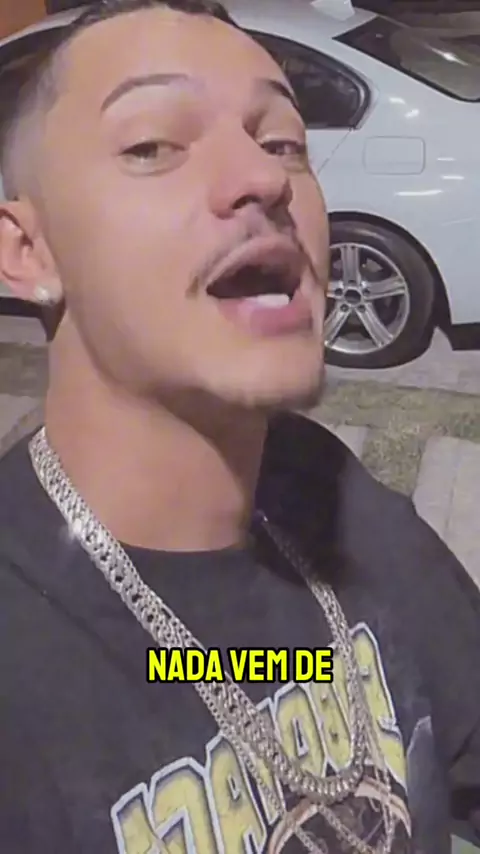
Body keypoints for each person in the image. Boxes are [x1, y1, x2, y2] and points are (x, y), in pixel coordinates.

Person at [0, 1, 479, 851]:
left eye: (284, 141)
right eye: (154, 145)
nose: (263, 178)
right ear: (27, 252)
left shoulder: (337, 500)